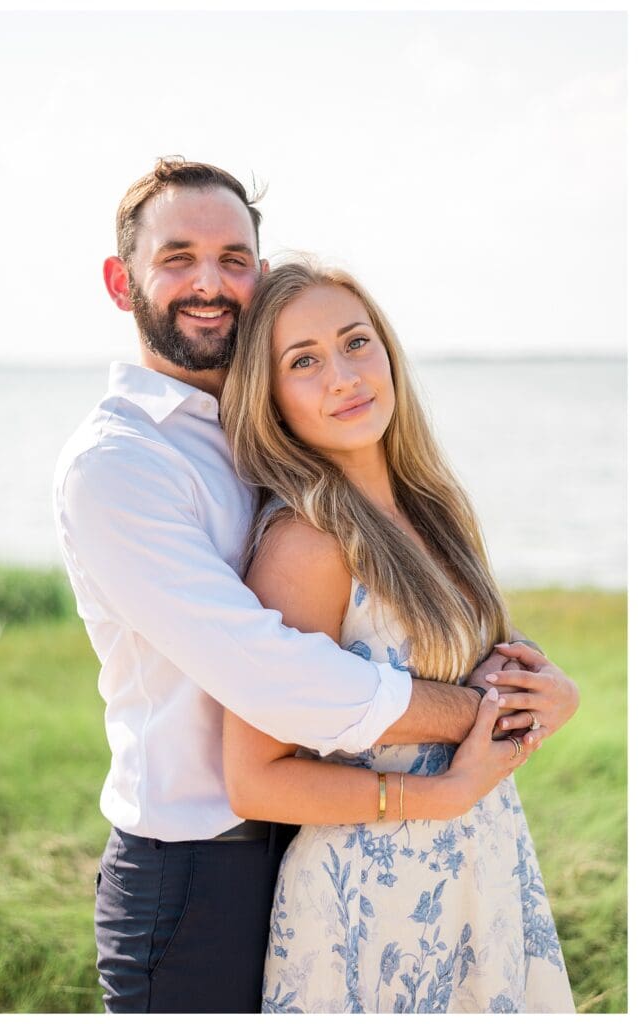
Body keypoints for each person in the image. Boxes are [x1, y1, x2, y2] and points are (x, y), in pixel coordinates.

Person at [53, 158, 579, 1013]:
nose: (210, 283)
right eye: (177, 257)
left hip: (325, 842)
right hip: (196, 872)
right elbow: (274, 674)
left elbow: (408, 625)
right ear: (123, 282)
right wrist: (483, 717)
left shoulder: (261, 446)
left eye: (233, 258)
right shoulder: (121, 464)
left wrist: (538, 687)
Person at [219, 261, 577, 1013]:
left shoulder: (433, 506)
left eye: (356, 342)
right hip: (369, 903)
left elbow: (475, 664)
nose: (343, 375)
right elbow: (255, 778)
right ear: (273, 398)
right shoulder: (307, 545)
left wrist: (554, 691)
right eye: (305, 361)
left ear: (388, 352)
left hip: (482, 866)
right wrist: (439, 796)